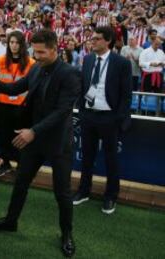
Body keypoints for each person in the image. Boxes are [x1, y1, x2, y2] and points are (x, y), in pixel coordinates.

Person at [0, 29, 81, 258]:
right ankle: (10, 221)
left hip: (55, 141)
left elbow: (62, 112)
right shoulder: (36, 67)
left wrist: (33, 132)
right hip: (33, 138)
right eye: (34, 51)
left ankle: (66, 234)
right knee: (21, 182)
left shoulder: (71, 74)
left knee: (62, 192)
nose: (37, 56)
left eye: (42, 52)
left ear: (56, 48)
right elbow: (16, 88)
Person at [72, 26, 132, 215]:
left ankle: (110, 196)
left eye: (97, 39)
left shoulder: (121, 63)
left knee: (111, 159)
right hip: (89, 116)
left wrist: (118, 119)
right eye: (92, 38)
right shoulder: (88, 59)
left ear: (108, 41)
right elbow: (83, 87)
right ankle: (83, 191)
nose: (92, 41)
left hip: (109, 118)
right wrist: (82, 111)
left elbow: (126, 95)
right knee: (87, 156)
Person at [0, 30, 35, 176]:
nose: (14, 45)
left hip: (21, 106)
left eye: (17, 42)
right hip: (3, 104)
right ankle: (5, 163)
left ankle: (21, 164)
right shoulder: (0, 60)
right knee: (3, 135)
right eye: (11, 42)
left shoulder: (31, 63)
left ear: (22, 44)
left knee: (19, 137)